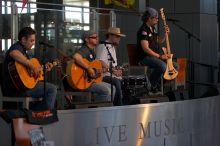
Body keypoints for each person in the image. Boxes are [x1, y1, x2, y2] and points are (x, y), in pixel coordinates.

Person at [2, 26, 57, 110]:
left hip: (21, 87)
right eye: (31, 40)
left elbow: (30, 75)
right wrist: (32, 66)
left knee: (47, 88)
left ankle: (31, 112)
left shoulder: (24, 52)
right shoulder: (17, 47)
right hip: (17, 89)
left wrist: (42, 69)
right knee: (52, 89)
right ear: (23, 39)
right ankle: (37, 115)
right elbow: (14, 53)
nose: (33, 43)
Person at [137, 7, 179, 93]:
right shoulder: (143, 30)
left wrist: (165, 34)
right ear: (149, 18)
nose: (157, 20)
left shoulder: (153, 29)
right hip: (145, 58)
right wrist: (160, 56)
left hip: (154, 57)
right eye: (155, 18)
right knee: (163, 66)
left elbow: (159, 41)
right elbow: (146, 49)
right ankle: (151, 85)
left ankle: (158, 85)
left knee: (175, 66)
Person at [71, 30, 115, 102]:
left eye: (97, 37)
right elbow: (76, 57)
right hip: (82, 81)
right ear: (86, 40)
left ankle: (107, 108)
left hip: (89, 80)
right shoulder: (84, 49)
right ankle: (100, 111)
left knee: (113, 88)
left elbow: (93, 70)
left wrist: (98, 71)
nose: (97, 39)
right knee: (106, 91)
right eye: (94, 37)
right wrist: (88, 69)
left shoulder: (92, 52)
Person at [96, 27, 126, 106]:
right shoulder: (102, 46)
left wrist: (118, 70)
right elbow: (100, 61)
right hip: (102, 75)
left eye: (119, 37)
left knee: (125, 81)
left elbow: (113, 64)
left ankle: (125, 103)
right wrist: (113, 71)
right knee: (117, 82)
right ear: (110, 36)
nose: (119, 38)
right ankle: (118, 106)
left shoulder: (112, 47)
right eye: (117, 36)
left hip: (110, 74)